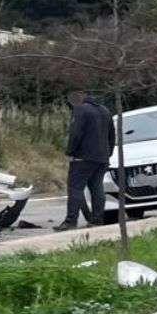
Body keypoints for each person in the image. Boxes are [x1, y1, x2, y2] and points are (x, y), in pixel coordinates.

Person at [55, 89, 114, 231]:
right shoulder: (105, 111)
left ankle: (71, 221)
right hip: (102, 157)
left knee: (75, 188)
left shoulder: (81, 110)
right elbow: (112, 135)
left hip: (83, 157)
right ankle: (97, 219)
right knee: (97, 187)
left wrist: (70, 151)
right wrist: (108, 153)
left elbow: (76, 133)